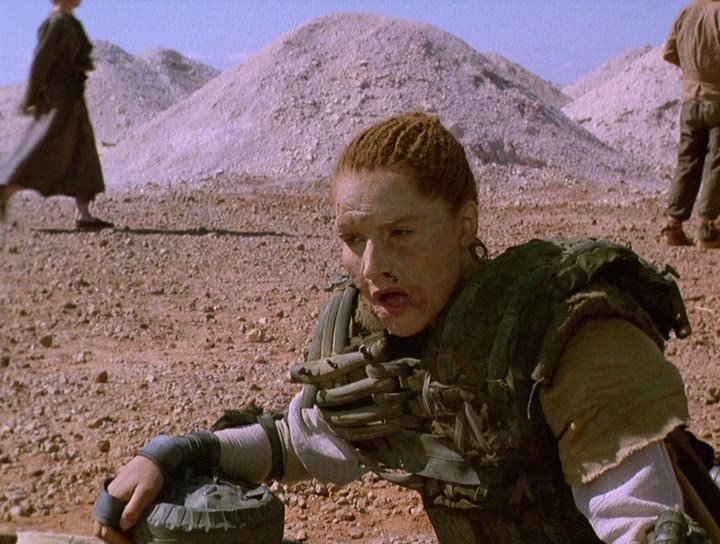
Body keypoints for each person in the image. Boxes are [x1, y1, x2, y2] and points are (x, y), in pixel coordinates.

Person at [93, 112, 720, 544]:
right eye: (353, 239)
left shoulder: (566, 335)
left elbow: (638, 519)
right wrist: (177, 454)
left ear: (465, 224)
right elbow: (302, 444)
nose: (373, 267)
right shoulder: (378, 338)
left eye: (401, 233)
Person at [0, 0, 113, 231]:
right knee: (41, 150)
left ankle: (83, 214)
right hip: (57, 102)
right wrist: (31, 98)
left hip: (73, 99)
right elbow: (41, 63)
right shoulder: (56, 23)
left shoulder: (71, 22)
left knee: (83, 153)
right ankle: (4, 188)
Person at [661, 0, 720, 248]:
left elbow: (669, 52)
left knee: (687, 162)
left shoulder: (686, 13)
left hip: (690, 100)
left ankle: (673, 225)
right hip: (716, 98)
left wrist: (693, 70)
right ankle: (707, 227)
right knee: (715, 163)